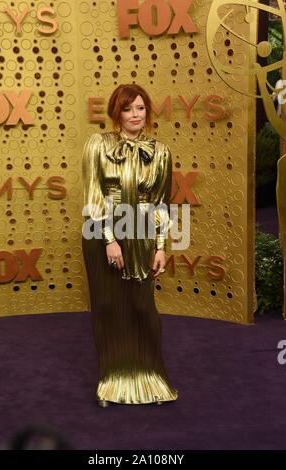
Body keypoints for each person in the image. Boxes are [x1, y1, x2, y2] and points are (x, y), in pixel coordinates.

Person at [82, 84, 178, 406]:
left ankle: (151, 379)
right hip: (102, 232)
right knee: (108, 308)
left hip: (142, 232)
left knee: (142, 308)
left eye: (140, 108)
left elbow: (163, 203)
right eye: (128, 109)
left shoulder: (161, 151)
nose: (135, 115)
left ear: (147, 111)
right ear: (116, 113)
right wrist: (110, 240)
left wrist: (162, 246)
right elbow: (93, 195)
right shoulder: (98, 144)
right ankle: (111, 381)